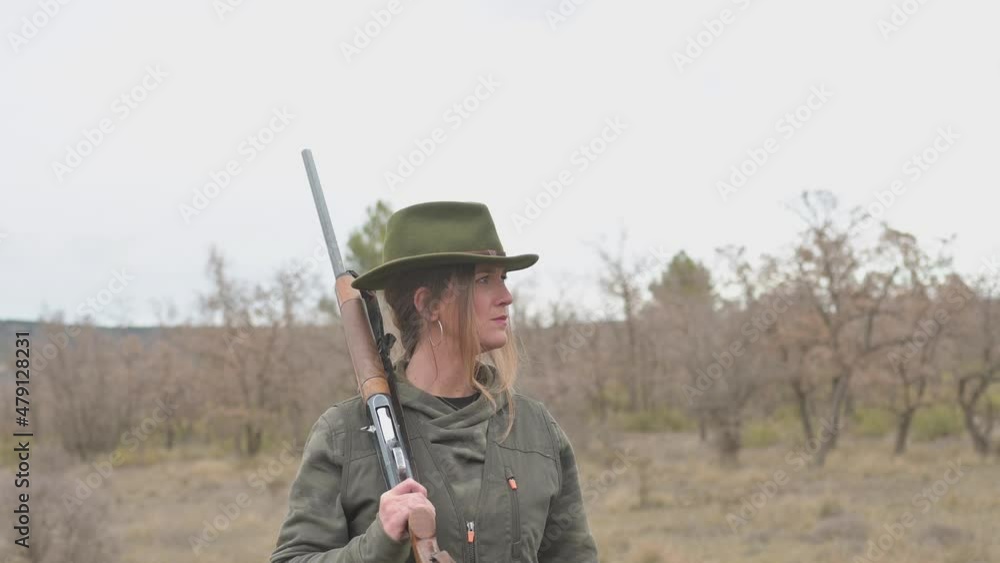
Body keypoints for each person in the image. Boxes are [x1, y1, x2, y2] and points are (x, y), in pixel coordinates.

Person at [270, 201, 599, 563]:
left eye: (503, 278)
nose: (506, 296)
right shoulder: (343, 435)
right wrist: (378, 542)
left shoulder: (536, 430)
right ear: (428, 304)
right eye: (484, 280)